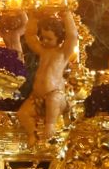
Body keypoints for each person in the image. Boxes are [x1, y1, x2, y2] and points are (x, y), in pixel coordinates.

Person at [19, 9, 80, 145]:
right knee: (22, 114)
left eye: (49, 38)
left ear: (59, 38)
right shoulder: (43, 51)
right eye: (43, 37)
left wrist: (66, 15)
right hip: (37, 97)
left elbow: (72, 36)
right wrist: (34, 17)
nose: (44, 41)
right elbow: (30, 36)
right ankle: (32, 133)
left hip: (56, 96)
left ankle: (50, 124)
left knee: (53, 99)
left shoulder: (63, 53)